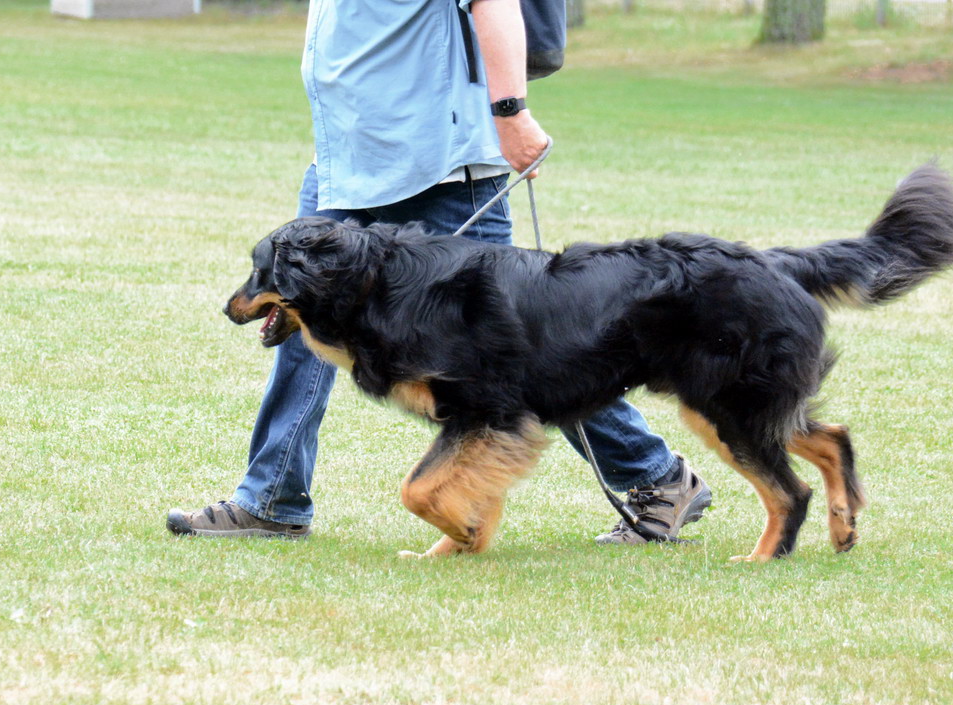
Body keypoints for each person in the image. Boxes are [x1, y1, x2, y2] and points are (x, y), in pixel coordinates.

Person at [166, 0, 712, 546]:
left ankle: (655, 477)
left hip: (440, 163)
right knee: (298, 327)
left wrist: (510, 112)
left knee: (522, 356)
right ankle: (271, 500)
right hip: (347, 160)